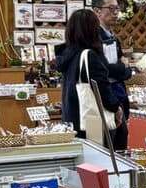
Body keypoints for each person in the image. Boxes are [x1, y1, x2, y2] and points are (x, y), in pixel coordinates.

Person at [53, 9, 124, 142]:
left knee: (80, 160)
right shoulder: (90, 56)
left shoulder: (67, 55)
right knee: (97, 159)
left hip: (71, 118)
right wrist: (116, 107)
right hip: (91, 120)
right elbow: (102, 88)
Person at [91, 0, 134, 150]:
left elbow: (125, 68)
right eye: (111, 8)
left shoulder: (113, 37)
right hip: (104, 100)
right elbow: (104, 70)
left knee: (120, 145)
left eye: (117, 9)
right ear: (97, 11)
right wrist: (122, 68)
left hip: (118, 94)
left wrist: (123, 68)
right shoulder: (94, 37)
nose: (116, 13)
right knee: (105, 148)